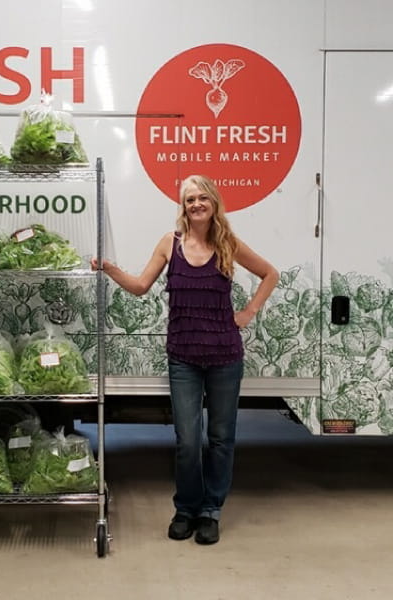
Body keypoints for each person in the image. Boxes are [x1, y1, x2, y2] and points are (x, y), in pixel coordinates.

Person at [92, 174, 278, 545]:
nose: (195, 204)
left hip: (225, 356)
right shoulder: (170, 243)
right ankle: (186, 508)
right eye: (189, 199)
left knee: (221, 437)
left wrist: (248, 312)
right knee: (187, 440)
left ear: (213, 203)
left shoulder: (228, 244)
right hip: (183, 358)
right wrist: (110, 269)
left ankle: (211, 511)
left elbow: (270, 274)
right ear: (184, 207)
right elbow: (141, 286)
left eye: (201, 198)